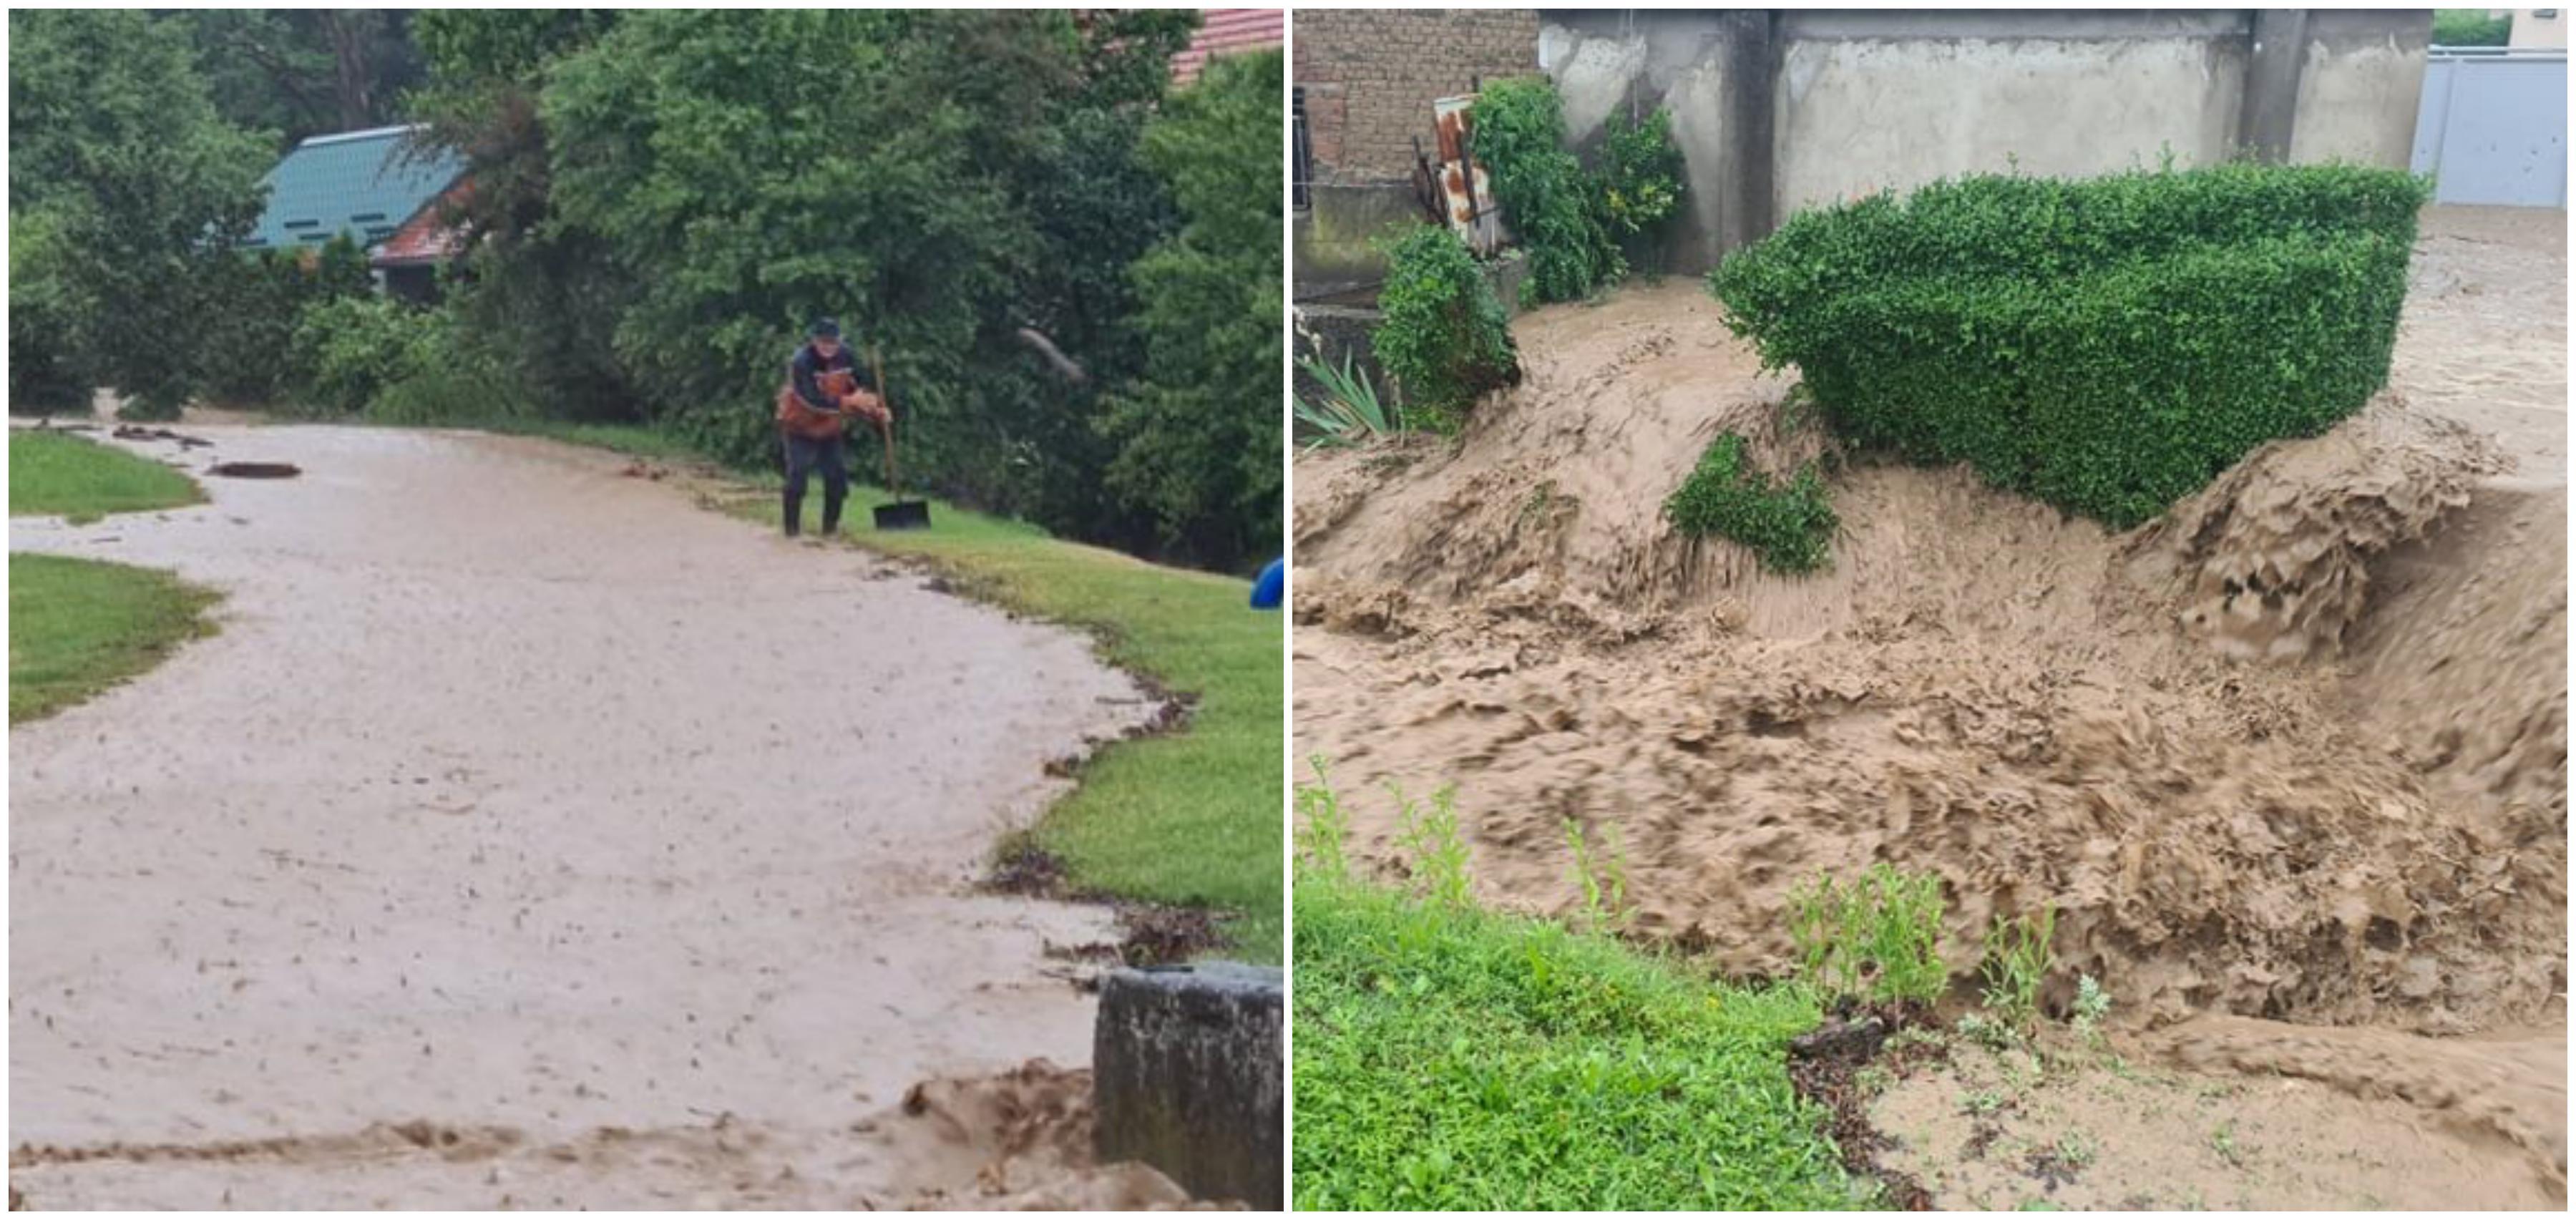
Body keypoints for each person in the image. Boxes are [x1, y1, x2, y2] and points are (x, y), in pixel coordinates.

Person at [774, 318, 887, 537]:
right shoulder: (801, 362)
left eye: (833, 342)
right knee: (798, 476)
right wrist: (849, 403)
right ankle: (791, 530)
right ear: (814, 341)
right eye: (823, 342)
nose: (828, 347)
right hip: (800, 427)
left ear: (839, 341)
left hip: (831, 428)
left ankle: (830, 529)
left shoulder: (847, 356)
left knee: (837, 477)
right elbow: (811, 400)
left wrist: (877, 409)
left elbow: (861, 389)